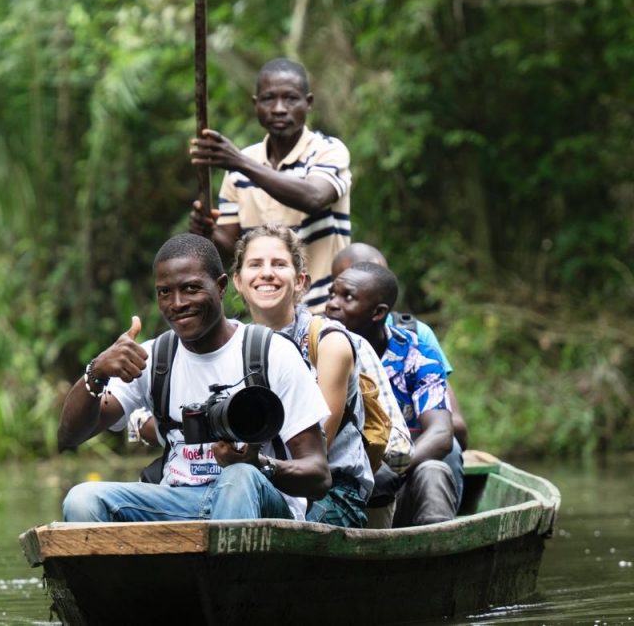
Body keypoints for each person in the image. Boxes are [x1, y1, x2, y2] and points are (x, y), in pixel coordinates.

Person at [58, 233, 331, 522]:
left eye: (191, 288)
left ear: (221, 286)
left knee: (239, 477)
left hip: (257, 500)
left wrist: (260, 464)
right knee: (82, 499)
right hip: (179, 501)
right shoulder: (154, 358)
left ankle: (229, 565)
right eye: (165, 292)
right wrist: (97, 371)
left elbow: (318, 475)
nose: (177, 303)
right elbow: (69, 436)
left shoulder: (271, 353)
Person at [230, 224, 374, 527]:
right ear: (238, 282)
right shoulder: (231, 344)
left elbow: (316, 445)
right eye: (255, 264)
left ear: (300, 281)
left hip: (329, 489)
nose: (267, 273)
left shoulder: (328, 342)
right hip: (252, 479)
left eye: (279, 264)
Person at [188, 58, 351, 311]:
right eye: (268, 99)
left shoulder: (327, 151)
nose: (278, 108)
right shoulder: (239, 169)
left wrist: (240, 162)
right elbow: (232, 251)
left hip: (326, 313)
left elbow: (315, 197)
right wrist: (207, 232)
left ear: (308, 103)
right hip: (268, 318)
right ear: (255, 105)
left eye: (290, 98)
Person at [326, 262, 463, 527]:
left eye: (347, 297)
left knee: (433, 471)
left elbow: (441, 434)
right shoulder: (315, 349)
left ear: (378, 313)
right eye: (332, 294)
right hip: (340, 480)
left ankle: (436, 553)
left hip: (398, 481)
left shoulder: (418, 355)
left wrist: (394, 470)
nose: (332, 304)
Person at [331, 243, 468, 449]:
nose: (368, 277)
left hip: (414, 444)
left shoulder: (415, 339)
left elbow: (452, 424)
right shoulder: (320, 338)